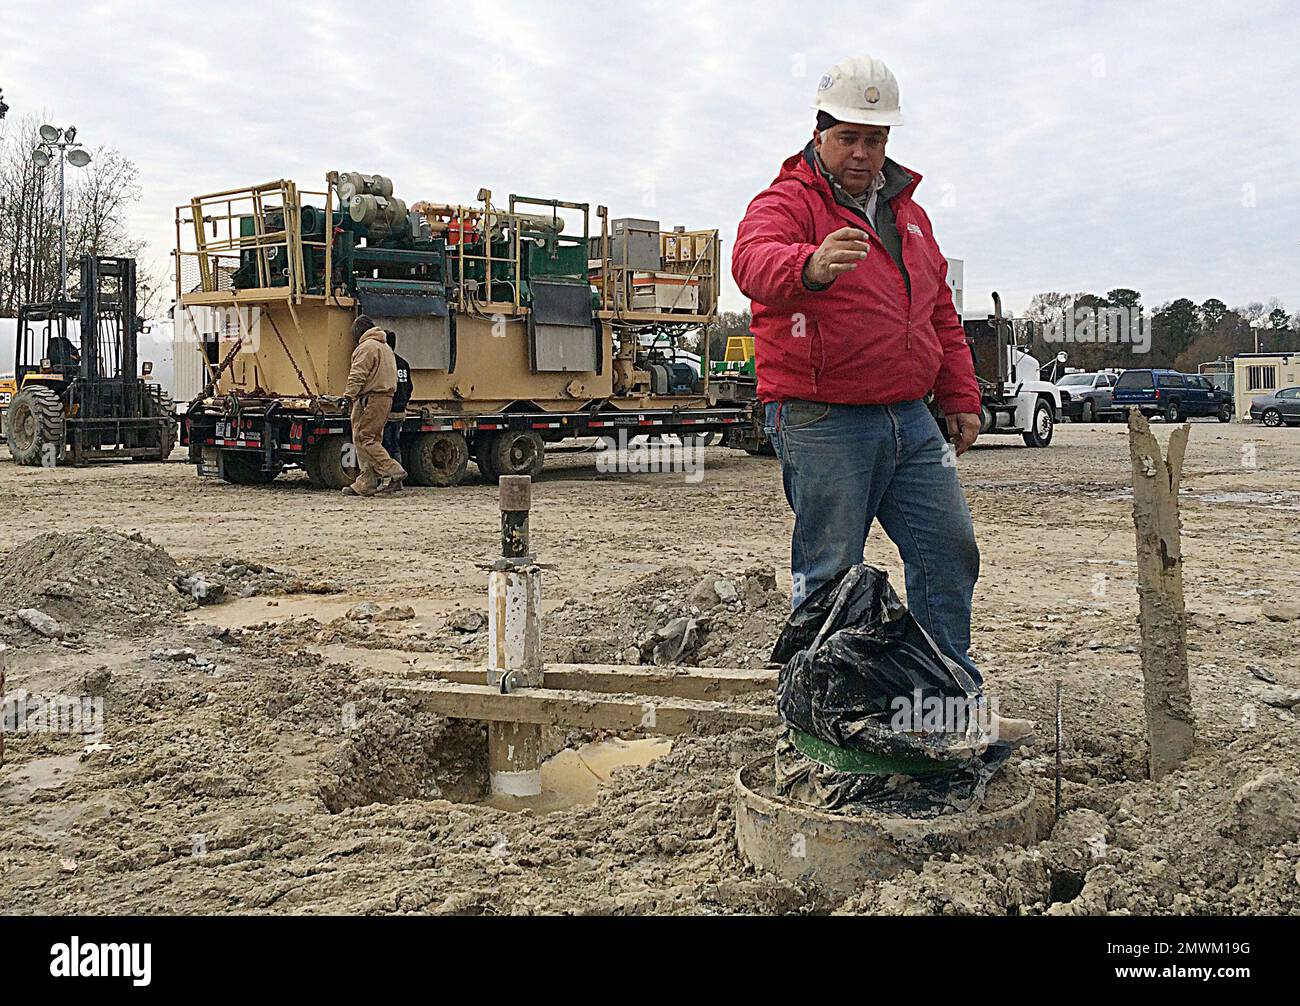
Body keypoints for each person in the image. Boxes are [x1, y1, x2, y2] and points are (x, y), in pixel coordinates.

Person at [732, 54, 985, 683]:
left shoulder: (910, 217)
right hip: (823, 416)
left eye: (875, 139)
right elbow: (751, 261)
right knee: (830, 571)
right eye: (849, 137)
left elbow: (939, 312)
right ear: (820, 134)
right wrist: (810, 268)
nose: (862, 153)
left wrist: (959, 392)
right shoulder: (789, 202)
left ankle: (943, 690)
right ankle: (822, 703)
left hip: (909, 416)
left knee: (947, 550)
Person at [342, 315, 407, 496]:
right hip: (384, 398)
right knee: (371, 440)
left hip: (369, 399)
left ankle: (393, 471)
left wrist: (348, 396)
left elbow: (358, 374)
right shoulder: (385, 347)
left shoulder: (366, 347)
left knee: (364, 438)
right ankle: (366, 482)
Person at [382, 331, 413, 462]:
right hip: (400, 412)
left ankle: (391, 474)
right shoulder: (403, 363)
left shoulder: (385, 363)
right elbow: (409, 387)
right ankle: (397, 472)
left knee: (385, 446)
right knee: (395, 445)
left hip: (387, 412)